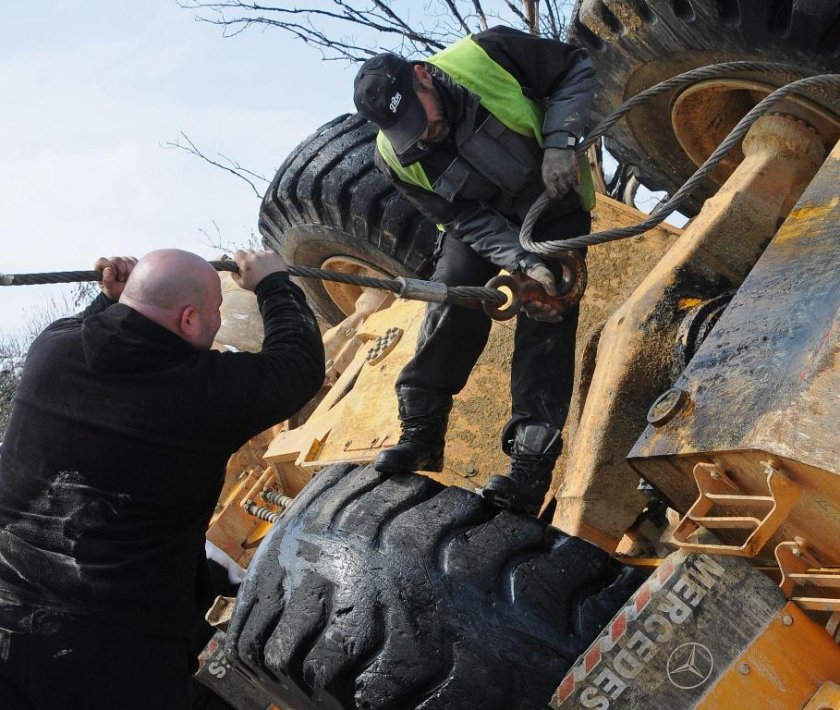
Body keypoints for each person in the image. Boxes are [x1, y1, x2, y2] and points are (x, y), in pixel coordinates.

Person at [0, 249, 324, 709]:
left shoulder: (51, 351)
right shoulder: (201, 393)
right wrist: (273, 284)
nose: (216, 324)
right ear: (189, 319)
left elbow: (90, 325)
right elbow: (297, 367)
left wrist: (110, 300)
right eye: (215, 312)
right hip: (115, 652)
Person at [352, 25, 596, 515]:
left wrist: (560, 140)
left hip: (555, 203)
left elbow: (577, 65)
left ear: (423, 75)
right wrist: (519, 259)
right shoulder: (392, 158)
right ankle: (422, 432)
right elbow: (457, 217)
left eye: (423, 118)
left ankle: (530, 467)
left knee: (547, 312)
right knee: (454, 294)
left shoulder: (489, 53)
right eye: (409, 132)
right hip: (483, 223)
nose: (423, 135)